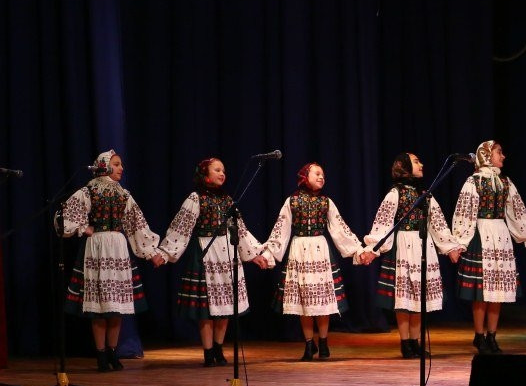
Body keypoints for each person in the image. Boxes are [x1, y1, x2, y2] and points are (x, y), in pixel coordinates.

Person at [157, 158, 270, 366]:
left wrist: (254, 254)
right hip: (206, 252)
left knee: (226, 306)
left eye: (223, 170)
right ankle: (208, 352)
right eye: (217, 170)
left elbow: (240, 230)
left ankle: (218, 347)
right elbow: (181, 227)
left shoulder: (227, 200)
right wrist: (164, 253)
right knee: (207, 309)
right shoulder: (196, 198)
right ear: (205, 175)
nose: (222, 173)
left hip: (226, 253)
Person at [61, 150, 165, 371]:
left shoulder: (124, 195)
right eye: (116, 164)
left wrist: (152, 252)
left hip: (118, 247)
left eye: (121, 164)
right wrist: (83, 228)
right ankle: (101, 355)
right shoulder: (89, 191)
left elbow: (137, 225)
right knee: (99, 307)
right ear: (104, 166)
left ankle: (112, 352)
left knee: (116, 307)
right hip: (98, 247)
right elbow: (64, 215)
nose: (121, 168)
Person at [260, 163, 376, 360]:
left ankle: (323, 342)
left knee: (322, 300)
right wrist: (268, 253)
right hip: (299, 250)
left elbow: (340, 228)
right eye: (317, 173)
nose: (322, 177)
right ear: (305, 177)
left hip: (320, 250)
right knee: (304, 301)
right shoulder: (292, 201)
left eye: (323, 174)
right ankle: (308, 344)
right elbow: (281, 229)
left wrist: (359, 250)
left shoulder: (326, 202)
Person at [363, 153, 463, 359]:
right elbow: (383, 222)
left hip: (422, 245)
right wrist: (373, 248)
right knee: (404, 299)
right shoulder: (395, 193)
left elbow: (437, 222)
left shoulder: (426, 194)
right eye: (416, 161)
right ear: (405, 167)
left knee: (419, 297)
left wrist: (450, 247)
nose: (421, 164)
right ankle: (405, 342)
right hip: (403, 246)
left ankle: (415, 341)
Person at [451, 141, 526, 354]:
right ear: (487, 155)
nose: (503, 156)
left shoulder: (505, 182)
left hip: (501, 235)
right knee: (481, 292)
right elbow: (465, 212)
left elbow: (516, 210)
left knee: (497, 290)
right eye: (499, 152)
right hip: (481, 235)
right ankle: (479, 335)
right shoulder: (474, 181)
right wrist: (459, 242)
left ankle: (492, 335)